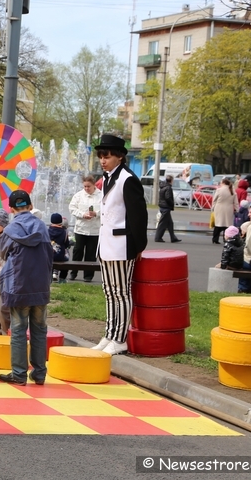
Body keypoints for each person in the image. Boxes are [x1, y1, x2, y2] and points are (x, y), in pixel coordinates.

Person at [92, 134, 148, 356]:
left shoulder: (128, 179)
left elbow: (138, 216)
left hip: (122, 245)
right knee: (109, 291)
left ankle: (119, 338)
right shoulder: (108, 177)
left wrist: (139, 246)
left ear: (120, 157)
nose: (102, 160)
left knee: (121, 292)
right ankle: (110, 333)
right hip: (107, 244)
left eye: (107, 156)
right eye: (100, 156)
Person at [0, 190, 52, 385]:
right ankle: (39, 373)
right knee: (40, 329)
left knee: (19, 329)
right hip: (40, 285)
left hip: (18, 286)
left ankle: (19, 374)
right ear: (30, 205)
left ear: (11, 209)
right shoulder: (43, 228)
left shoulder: (10, 230)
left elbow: (2, 253)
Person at [68, 175, 102, 282]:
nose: (87, 189)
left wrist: (96, 213)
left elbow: (106, 209)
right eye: (85, 187)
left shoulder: (101, 195)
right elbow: (72, 208)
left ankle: (88, 276)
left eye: (89, 186)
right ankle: (73, 273)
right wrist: (82, 214)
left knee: (91, 254)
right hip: (81, 229)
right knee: (77, 251)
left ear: (94, 185)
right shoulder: (78, 195)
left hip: (94, 230)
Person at [155, 175, 182, 243]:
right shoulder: (168, 188)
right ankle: (158, 238)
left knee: (170, 223)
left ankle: (173, 238)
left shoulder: (163, 186)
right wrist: (171, 203)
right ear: (171, 180)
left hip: (163, 207)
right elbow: (168, 198)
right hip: (165, 208)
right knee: (162, 224)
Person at [211, 178, 238, 244]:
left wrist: (213, 208)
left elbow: (214, 200)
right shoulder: (232, 190)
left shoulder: (219, 190)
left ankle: (215, 239)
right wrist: (237, 209)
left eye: (221, 183)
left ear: (223, 183)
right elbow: (236, 202)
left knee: (218, 224)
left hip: (219, 208)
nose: (220, 184)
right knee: (227, 225)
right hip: (229, 209)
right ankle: (226, 239)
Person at [48, 213, 70, 283]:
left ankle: (49, 277)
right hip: (60, 257)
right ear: (61, 221)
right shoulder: (64, 232)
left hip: (48, 256)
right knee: (67, 260)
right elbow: (67, 244)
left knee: (49, 263)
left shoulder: (47, 231)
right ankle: (62, 278)